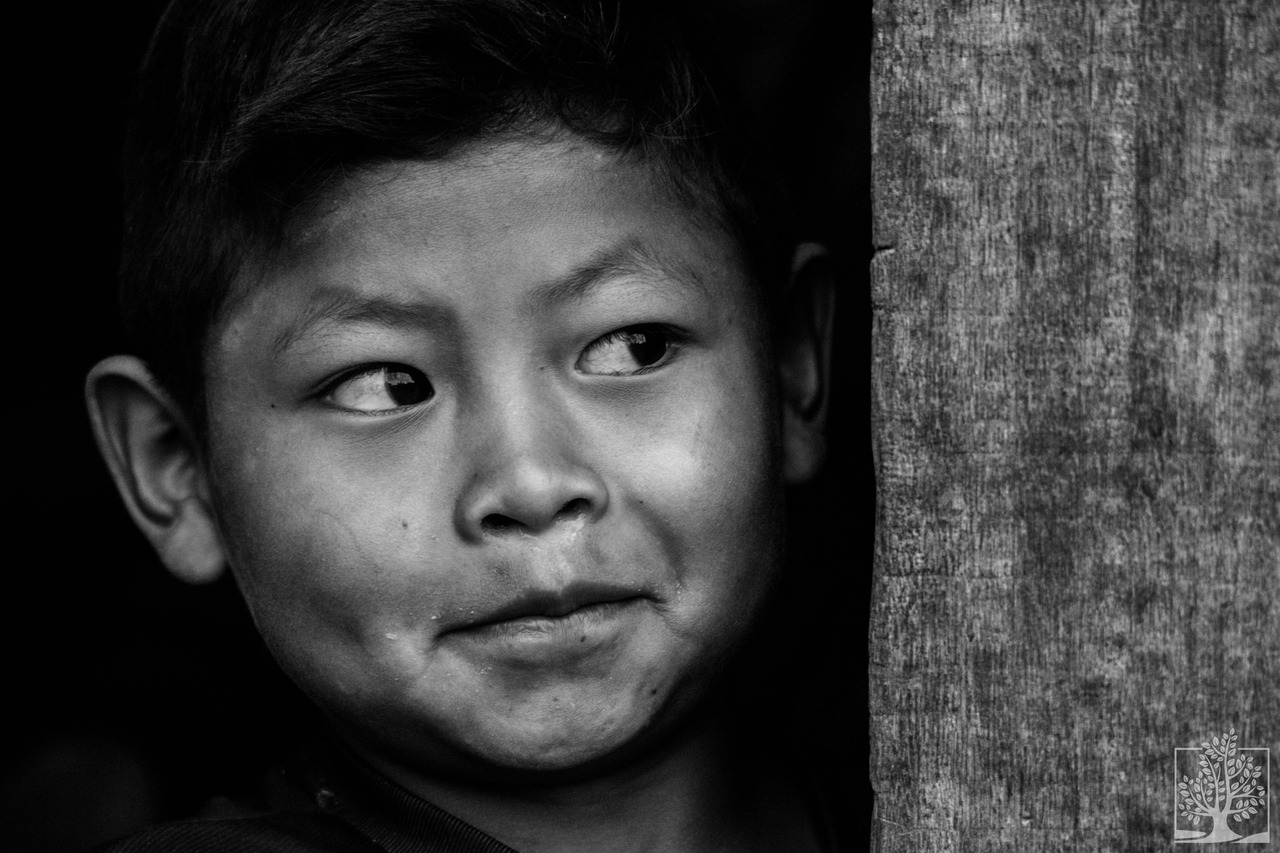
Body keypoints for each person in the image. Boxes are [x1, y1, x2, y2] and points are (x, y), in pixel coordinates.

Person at [84, 0, 845, 849]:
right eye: (384, 385)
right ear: (177, 469)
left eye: (632, 347)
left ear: (791, 368)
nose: (530, 484)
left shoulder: (945, 795)